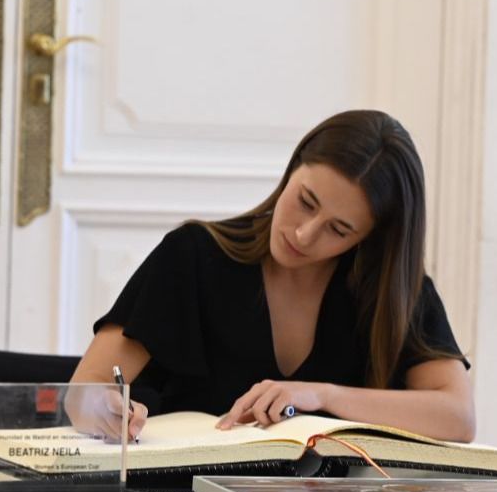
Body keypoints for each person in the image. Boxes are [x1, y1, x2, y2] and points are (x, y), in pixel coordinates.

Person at [69, 109, 475, 448]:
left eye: (339, 229)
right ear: (292, 168)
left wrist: (322, 395)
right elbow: (81, 392)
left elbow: (457, 417)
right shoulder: (192, 256)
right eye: (305, 202)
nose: (304, 234)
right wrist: (105, 409)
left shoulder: (390, 289)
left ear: (369, 238)